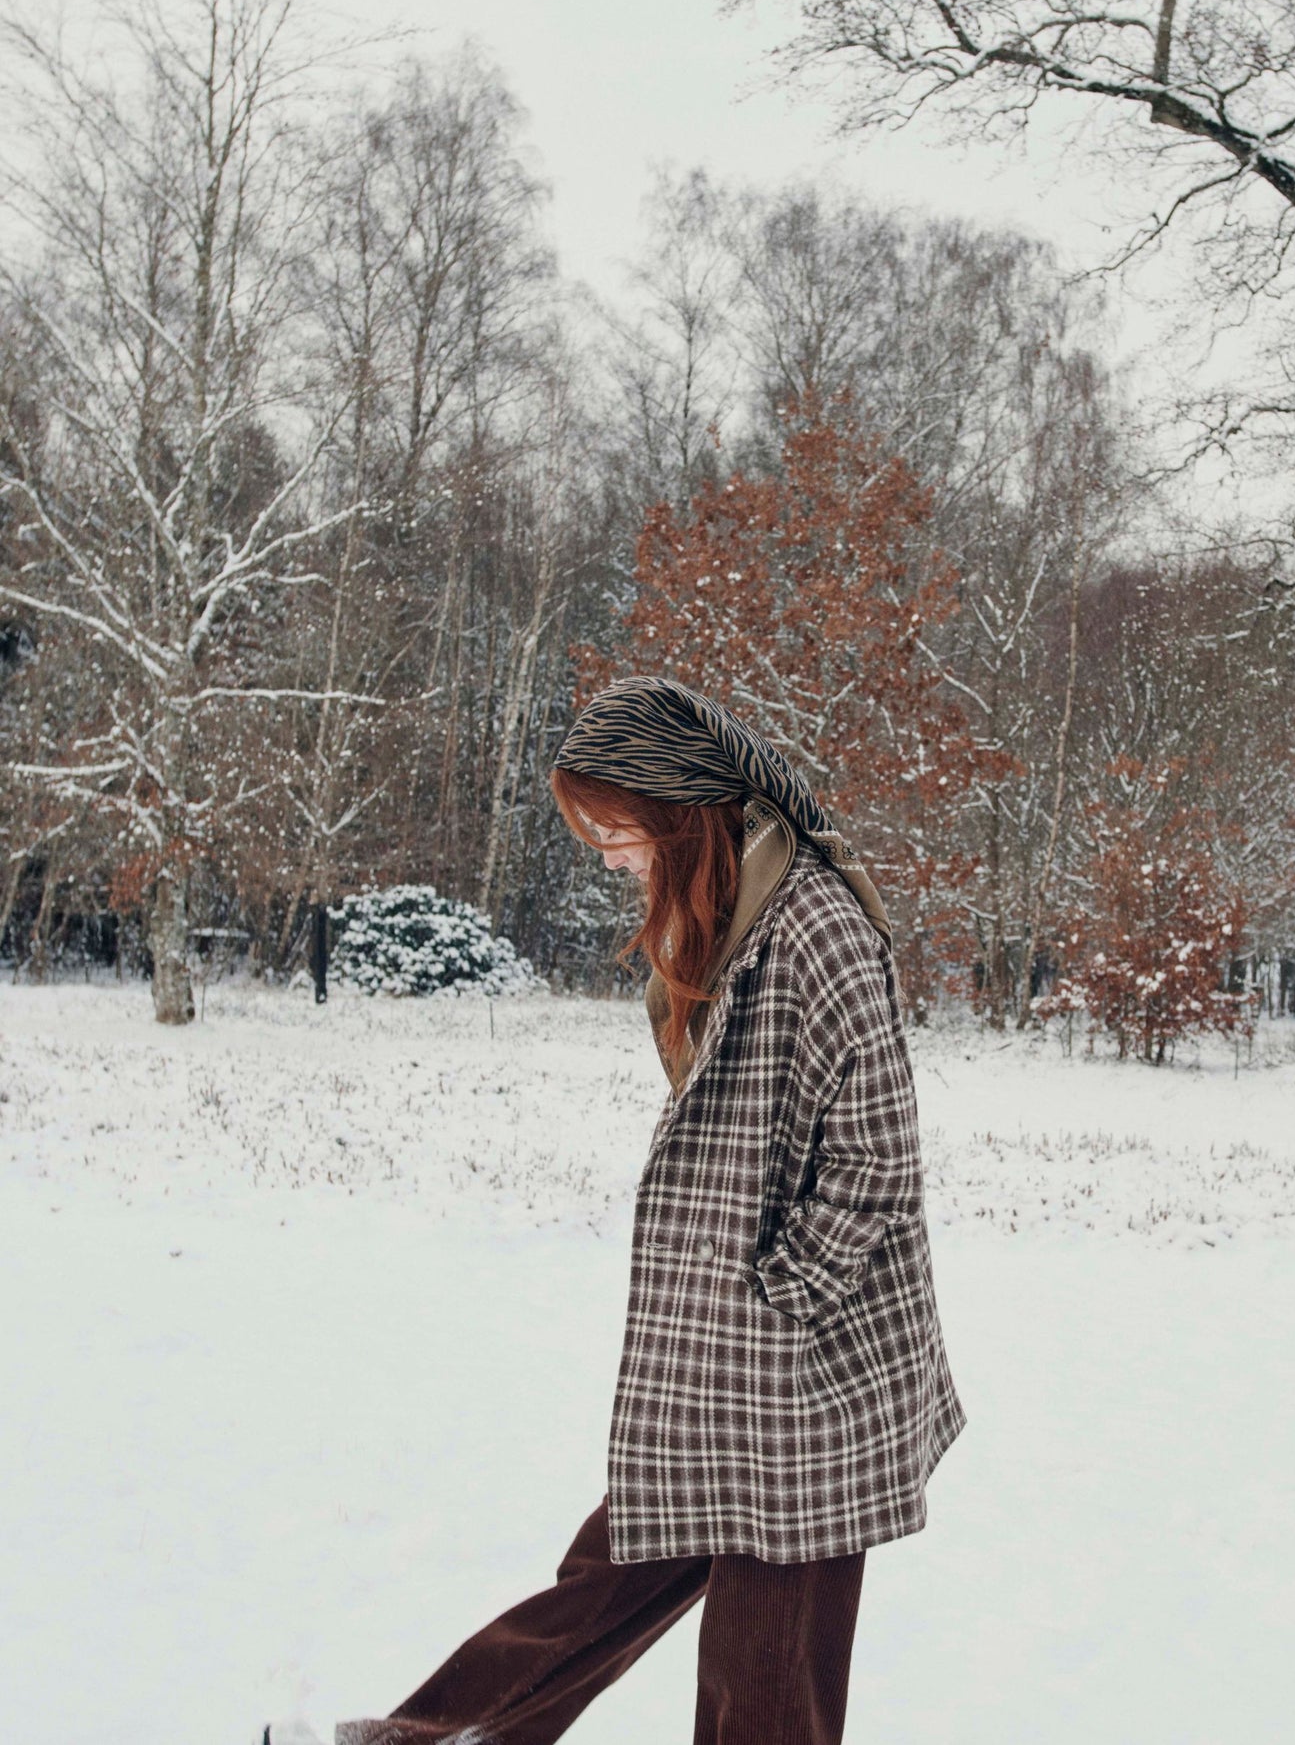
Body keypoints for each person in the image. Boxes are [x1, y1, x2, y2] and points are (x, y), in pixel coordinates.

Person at [269, 675, 965, 1745]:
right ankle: (431, 1738)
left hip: (802, 1373)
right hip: (726, 1357)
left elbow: (874, 1155)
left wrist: (780, 1301)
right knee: (606, 1578)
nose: (608, 855)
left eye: (616, 829)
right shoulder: (739, 915)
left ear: (677, 806)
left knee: (764, 1679)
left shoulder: (816, 927)